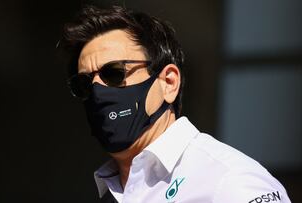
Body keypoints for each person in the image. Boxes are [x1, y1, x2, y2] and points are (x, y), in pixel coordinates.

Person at [59, 5, 291, 203]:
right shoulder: (110, 192)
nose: (98, 91)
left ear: (169, 83)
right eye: (85, 84)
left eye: (114, 73)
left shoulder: (229, 180)